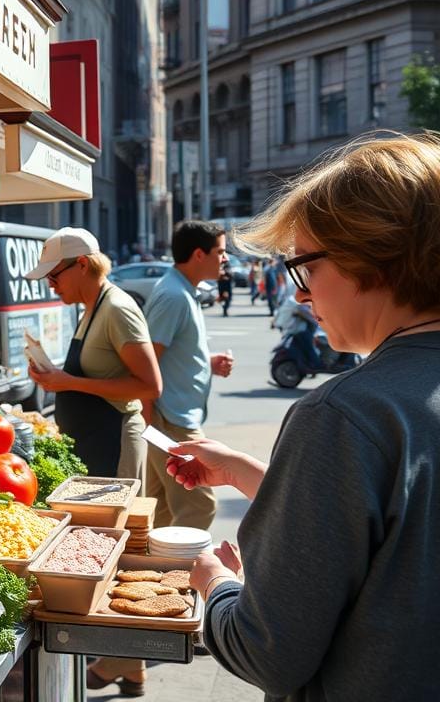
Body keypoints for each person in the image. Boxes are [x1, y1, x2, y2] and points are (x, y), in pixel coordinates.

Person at [164, 135, 440, 701]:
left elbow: (266, 649)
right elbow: (398, 534)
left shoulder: (344, 413)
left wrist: (214, 583)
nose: (303, 295)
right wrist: (251, 474)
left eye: (305, 268)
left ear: (369, 256)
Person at [23, 228, 163, 697]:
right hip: (94, 443)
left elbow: (149, 386)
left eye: (54, 276)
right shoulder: (89, 308)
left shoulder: (117, 309)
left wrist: (67, 384)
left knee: (115, 555)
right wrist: (54, 378)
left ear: (81, 265)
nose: (50, 286)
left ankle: (123, 657)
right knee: (104, 553)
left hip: (115, 442)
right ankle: (129, 664)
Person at [141, 220, 233, 531]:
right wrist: (150, 420)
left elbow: (169, 352)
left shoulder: (181, 290)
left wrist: (208, 362)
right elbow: (147, 361)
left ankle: (158, 577)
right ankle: (186, 575)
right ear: (198, 255)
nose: (225, 259)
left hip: (171, 417)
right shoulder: (174, 296)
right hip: (171, 420)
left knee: (161, 509)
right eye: (220, 252)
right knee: (200, 505)